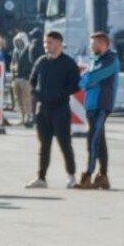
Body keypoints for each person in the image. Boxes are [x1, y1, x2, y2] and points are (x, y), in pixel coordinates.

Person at [25, 31, 80, 189]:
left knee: (64, 143)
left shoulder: (68, 63)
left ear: (58, 43)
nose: (46, 45)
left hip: (60, 108)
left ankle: (71, 175)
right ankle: (41, 177)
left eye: (49, 42)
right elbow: (32, 80)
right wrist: (35, 93)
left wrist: (61, 94)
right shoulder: (41, 62)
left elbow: (75, 84)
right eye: (45, 42)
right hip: (43, 109)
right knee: (44, 144)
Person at [77, 31, 120, 189]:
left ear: (103, 44)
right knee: (100, 141)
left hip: (101, 106)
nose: (90, 46)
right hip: (91, 106)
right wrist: (87, 81)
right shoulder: (96, 60)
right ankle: (103, 176)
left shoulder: (110, 60)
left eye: (93, 43)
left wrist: (88, 81)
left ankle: (88, 175)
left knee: (93, 140)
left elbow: (90, 78)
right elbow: (82, 81)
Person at [10, 32, 35, 126]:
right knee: (18, 99)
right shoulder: (15, 51)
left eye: (20, 41)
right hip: (16, 78)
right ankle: (22, 116)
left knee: (26, 98)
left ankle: (28, 117)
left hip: (25, 78)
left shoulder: (29, 49)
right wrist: (12, 70)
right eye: (17, 41)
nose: (19, 43)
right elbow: (12, 62)